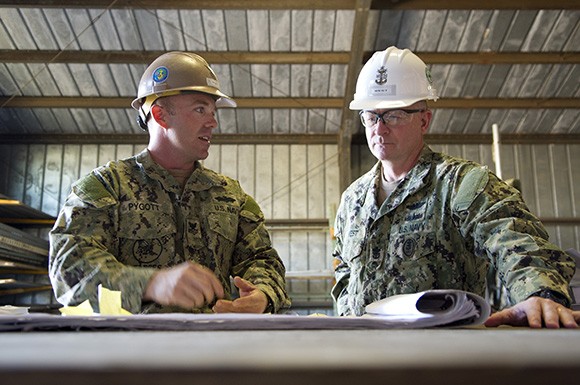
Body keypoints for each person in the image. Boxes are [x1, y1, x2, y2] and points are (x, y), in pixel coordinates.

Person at [332, 46, 579, 328]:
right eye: (371, 117)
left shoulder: (460, 183)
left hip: (443, 355)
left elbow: (514, 239)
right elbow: (344, 273)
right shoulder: (352, 199)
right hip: (362, 352)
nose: (379, 128)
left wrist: (541, 294)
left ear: (424, 119)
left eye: (394, 115)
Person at [49, 51, 290, 314]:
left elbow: (262, 259)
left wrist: (262, 295)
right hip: (130, 349)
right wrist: (150, 284)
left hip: (215, 347)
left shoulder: (232, 197)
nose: (213, 122)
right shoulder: (107, 187)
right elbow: (68, 264)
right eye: (200, 109)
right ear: (161, 116)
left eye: (213, 111)